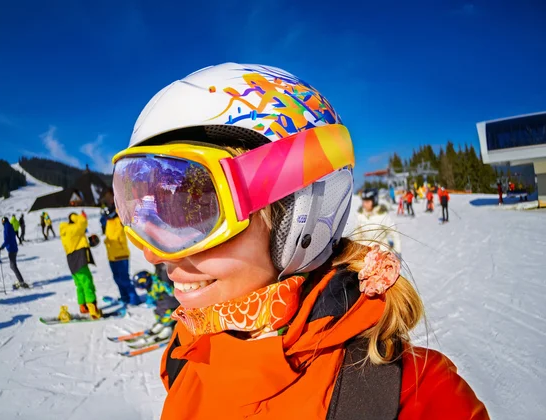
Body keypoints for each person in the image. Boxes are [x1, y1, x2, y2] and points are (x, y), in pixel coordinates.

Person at [111, 64, 488, 418]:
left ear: (299, 214)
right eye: (144, 213)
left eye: (194, 211)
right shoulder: (186, 354)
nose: (152, 252)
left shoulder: (415, 397)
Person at [102, 192, 140, 306]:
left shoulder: (120, 219)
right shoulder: (109, 222)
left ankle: (134, 299)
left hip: (121, 255)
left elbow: (125, 212)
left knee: (124, 279)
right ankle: (124, 297)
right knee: (117, 279)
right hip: (112, 256)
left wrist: (119, 202)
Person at [59, 212, 100, 319]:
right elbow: (83, 222)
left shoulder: (65, 230)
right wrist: (76, 216)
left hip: (71, 260)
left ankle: (83, 307)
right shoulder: (74, 228)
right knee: (87, 283)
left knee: (80, 285)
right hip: (79, 258)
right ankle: (93, 310)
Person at [132, 265, 179, 343]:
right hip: (163, 300)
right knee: (158, 310)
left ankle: (168, 327)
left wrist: (169, 290)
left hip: (173, 299)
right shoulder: (151, 283)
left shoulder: (156, 282)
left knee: (166, 310)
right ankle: (161, 323)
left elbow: (164, 286)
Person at [352, 189, 401, 256]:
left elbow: (394, 232)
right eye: (364, 201)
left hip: (381, 252)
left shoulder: (382, 215)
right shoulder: (360, 215)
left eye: (368, 201)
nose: (365, 204)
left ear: (374, 201)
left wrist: (397, 252)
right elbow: (357, 234)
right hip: (364, 252)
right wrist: (355, 250)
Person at [0, 217, 29, 289]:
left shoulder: (7, 228)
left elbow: (7, 239)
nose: (2, 222)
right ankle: (21, 280)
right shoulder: (9, 226)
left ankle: (21, 281)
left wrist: (2, 247)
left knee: (13, 266)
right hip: (14, 248)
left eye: (2, 221)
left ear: (3, 221)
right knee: (13, 266)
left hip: (12, 249)